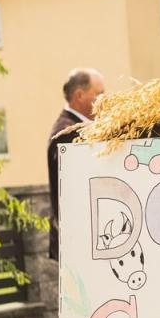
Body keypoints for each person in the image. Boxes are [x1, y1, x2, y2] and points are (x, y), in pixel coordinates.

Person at [48, 68, 105, 261]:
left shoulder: (79, 127)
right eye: (99, 93)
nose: (105, 99)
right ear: (79, 95)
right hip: (76, 240)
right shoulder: (67, 132)